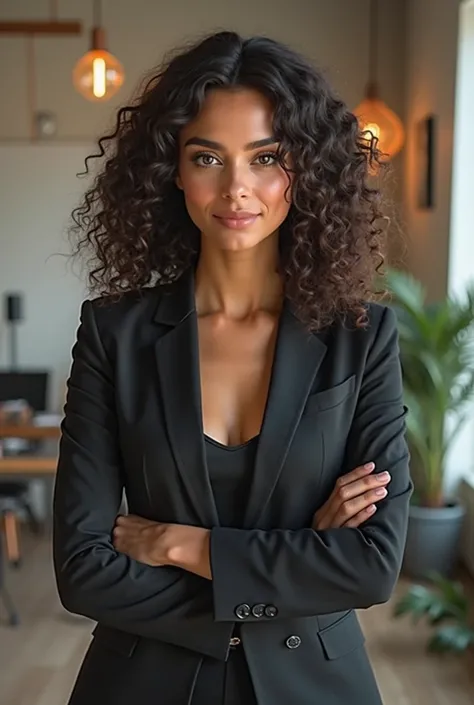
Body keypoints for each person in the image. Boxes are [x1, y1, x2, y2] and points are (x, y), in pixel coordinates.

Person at [53, 30, 412, 705]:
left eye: (266, 156)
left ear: (304, 169)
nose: (237, 188)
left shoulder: (362, 339)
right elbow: (82, 570)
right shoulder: (113, 333)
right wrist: (296, 563)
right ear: (173, 172)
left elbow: (369, 566)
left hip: (319, 683)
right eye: (208, 156)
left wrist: (182, 544)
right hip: (141, 683)